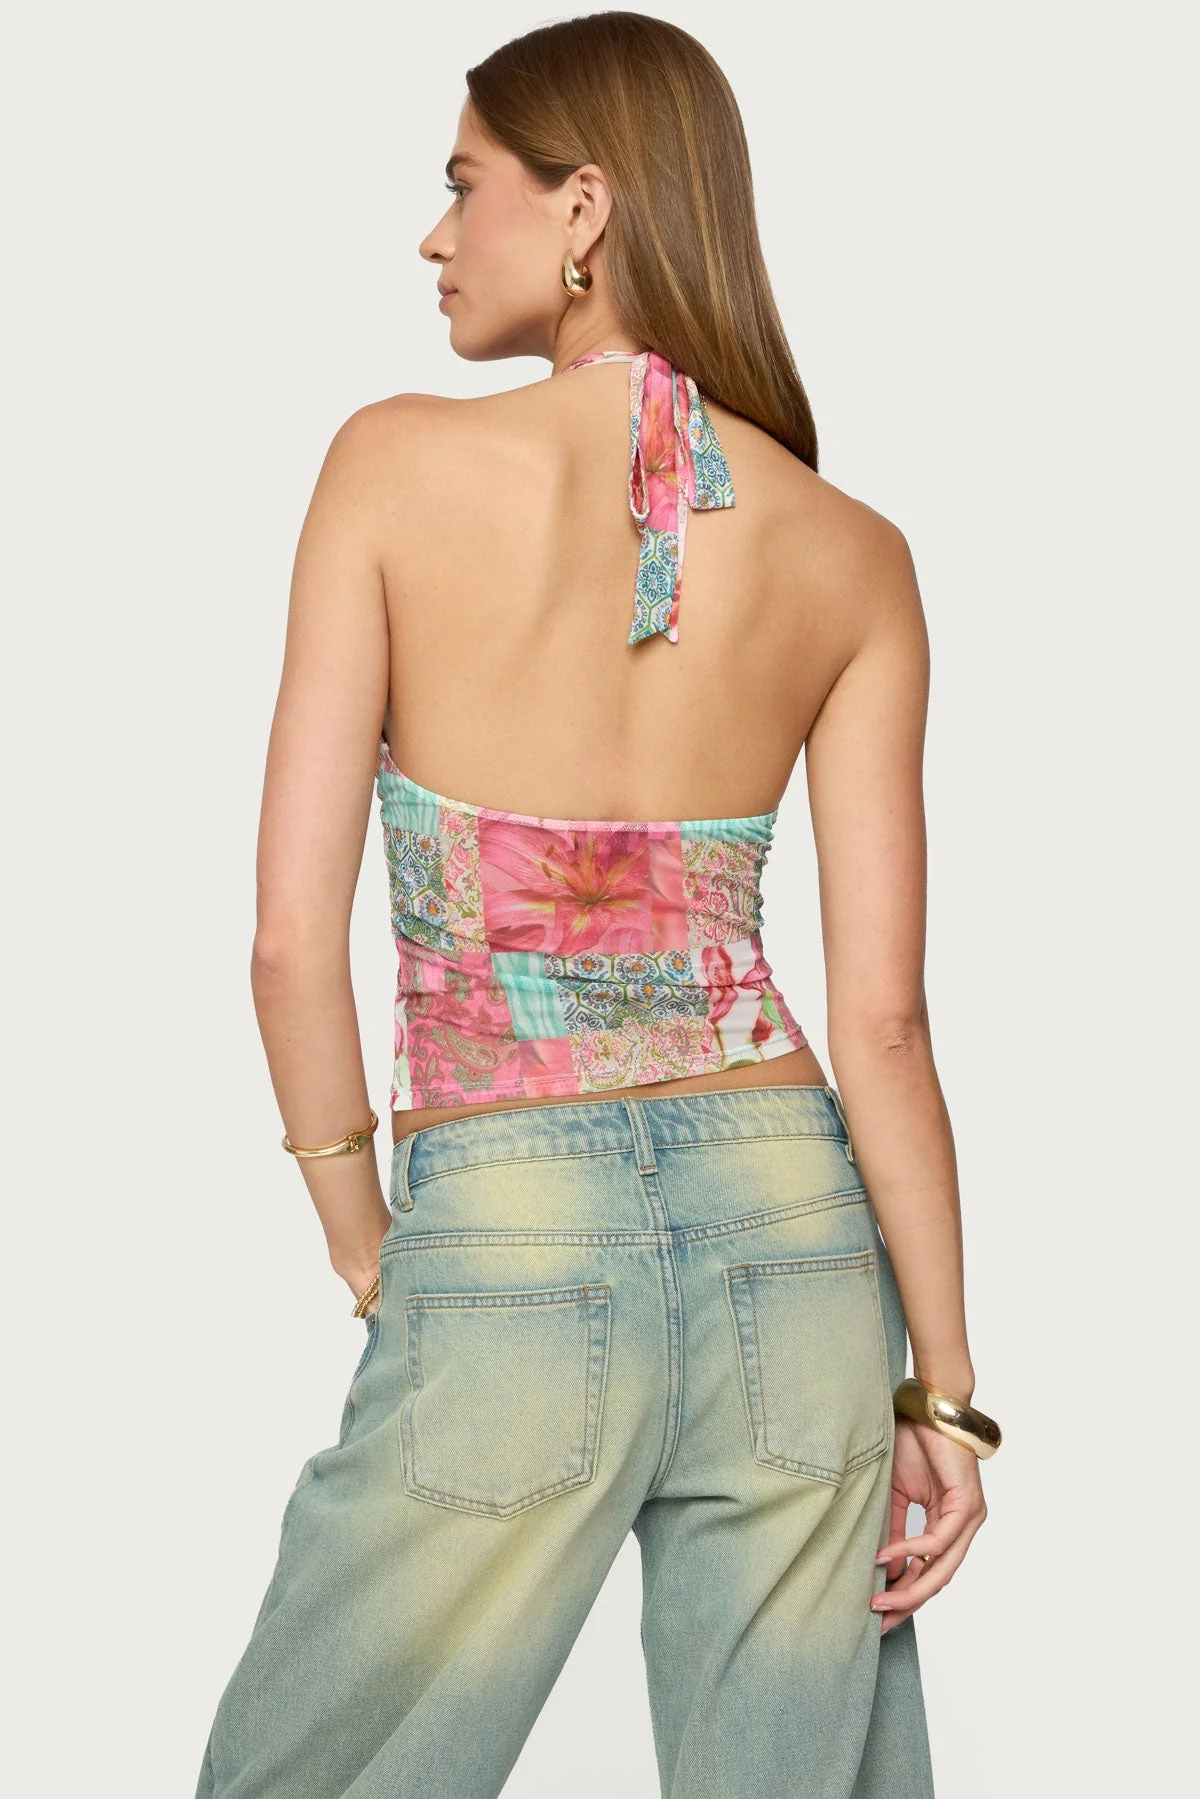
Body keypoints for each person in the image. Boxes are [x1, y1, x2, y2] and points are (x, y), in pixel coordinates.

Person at [194, 13, 999, 1797]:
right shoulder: (852, 552)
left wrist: (365, 1242)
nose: (433, 234)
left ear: (584, 209)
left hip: (507, 1223)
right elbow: (882, 1021)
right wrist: (942, 1391)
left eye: (462, 183)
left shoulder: (392, 464)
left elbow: (286, 940)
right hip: (800, 1244)